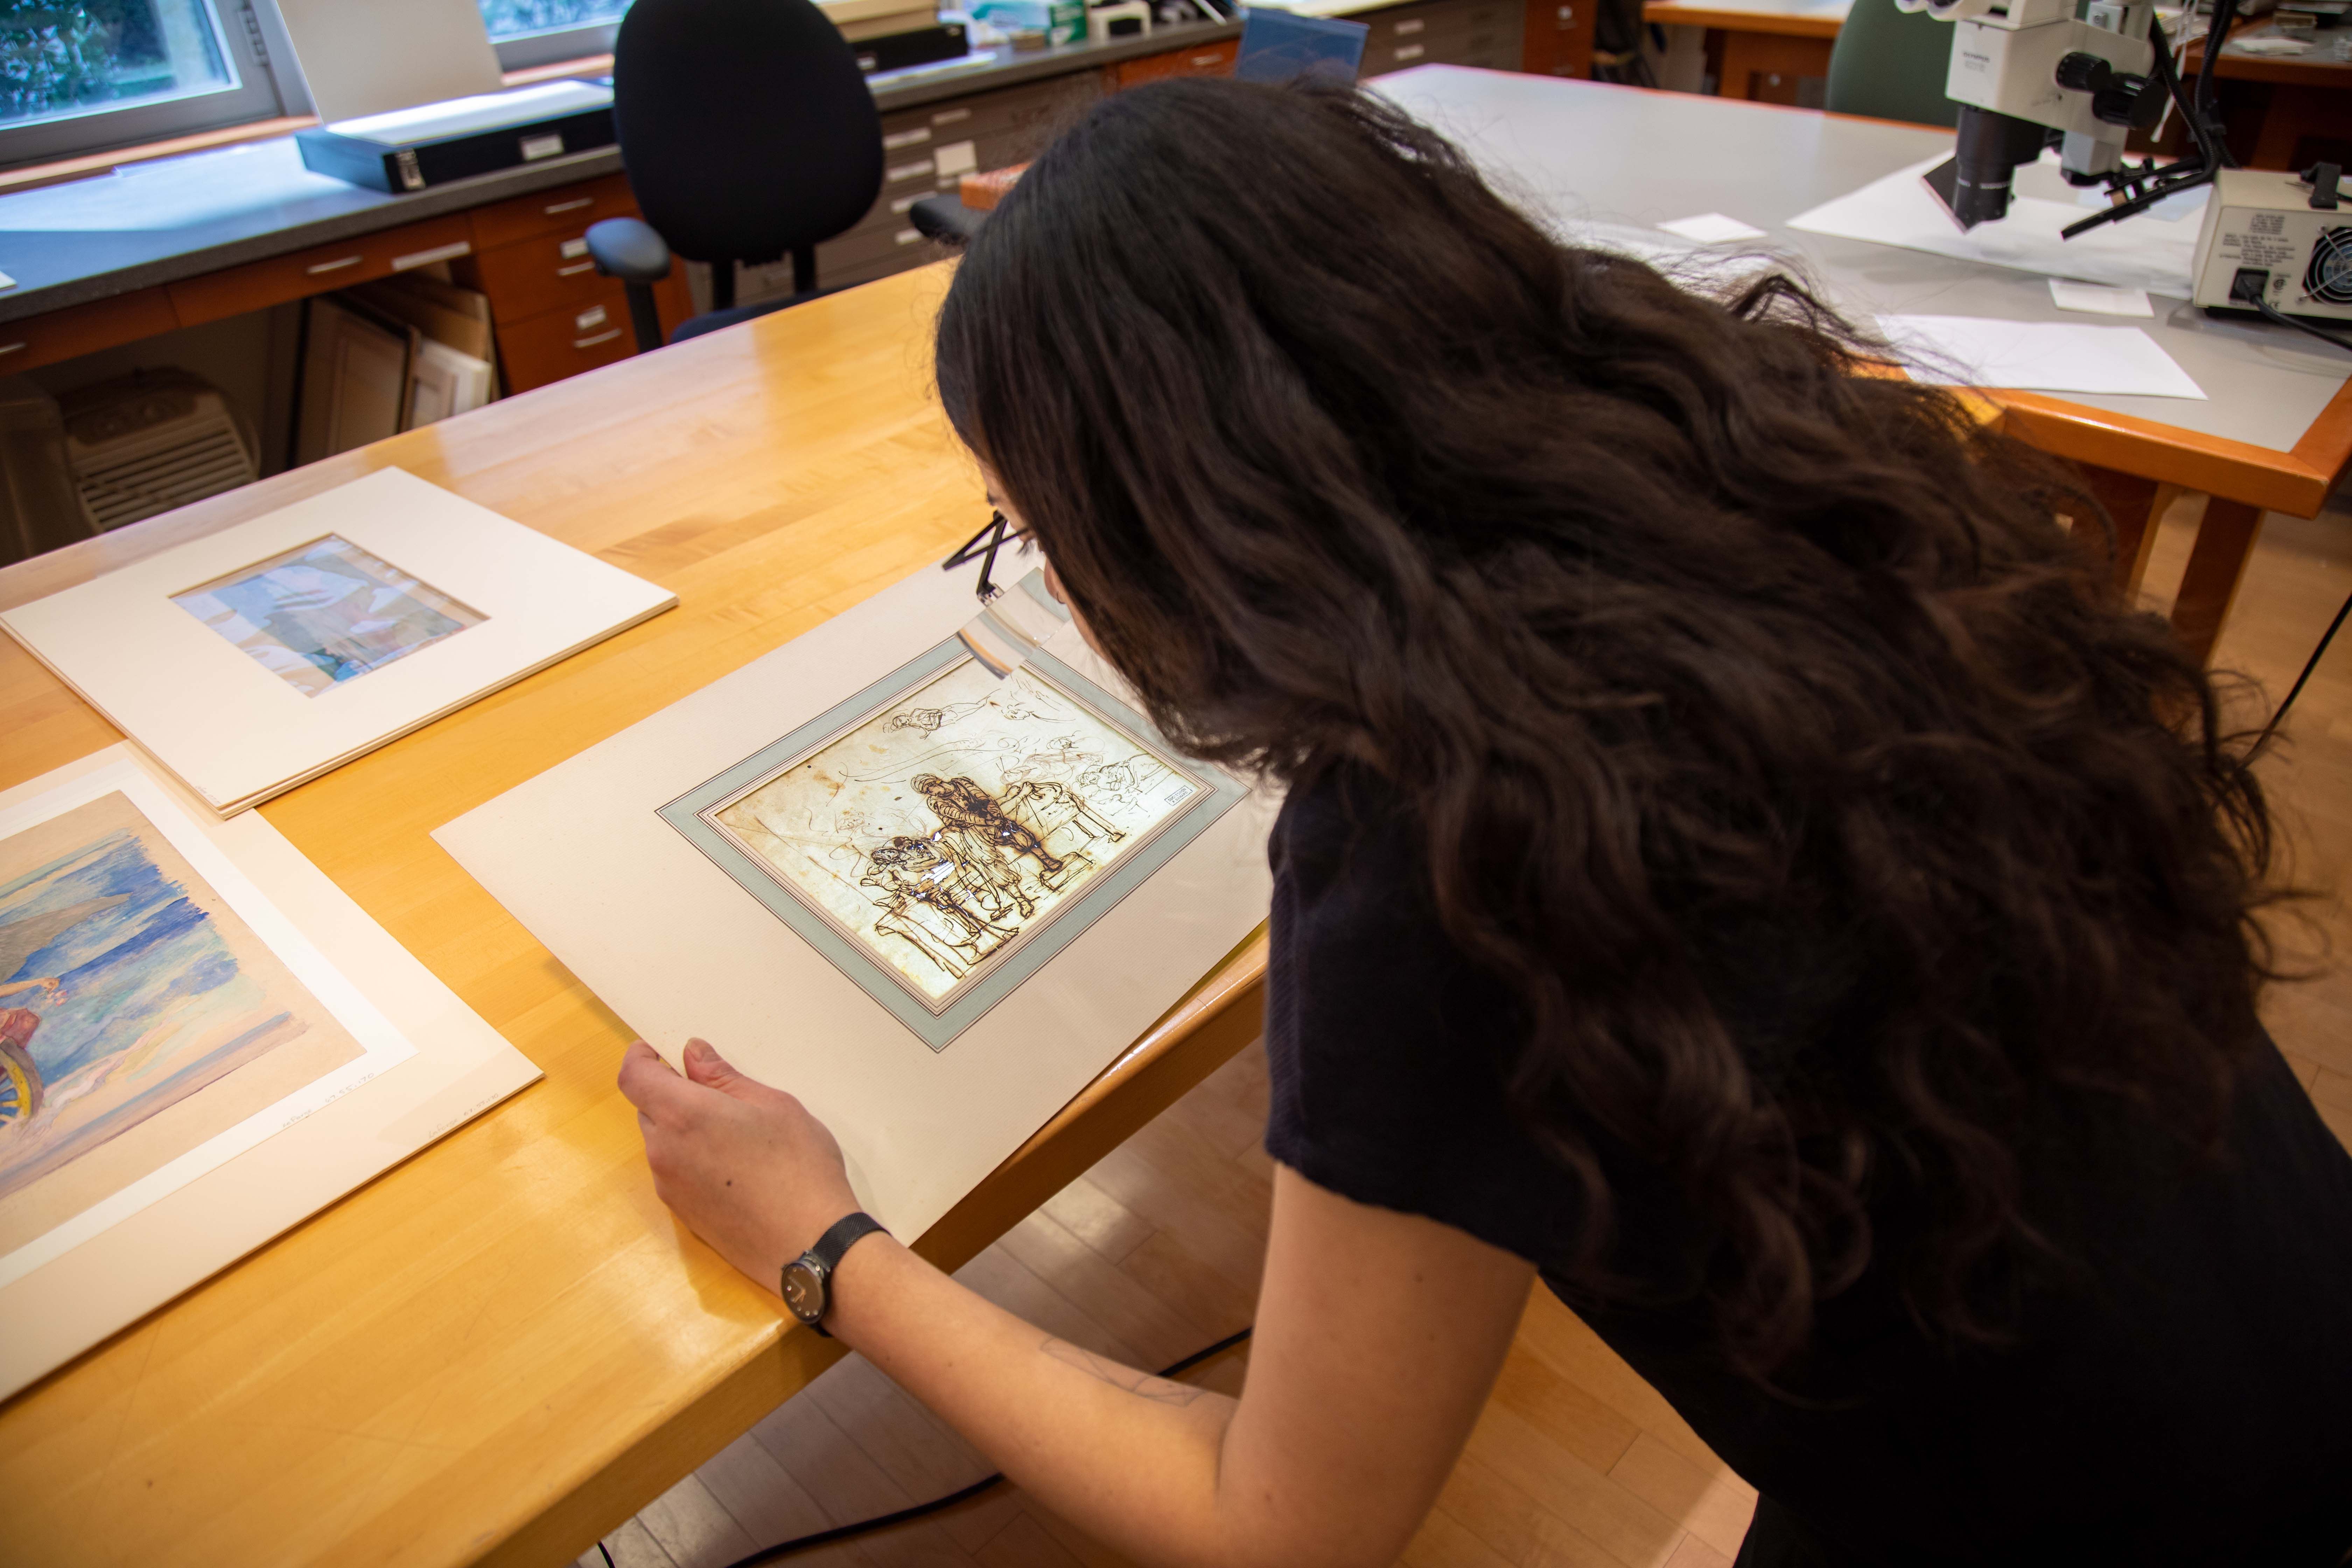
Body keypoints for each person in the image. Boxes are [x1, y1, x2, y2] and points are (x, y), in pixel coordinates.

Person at [615, 78, 2352, 1566]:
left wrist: (824, 1246)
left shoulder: (1443, 847)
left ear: (1175, 524)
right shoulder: (1777, 457)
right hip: (2274, 1337)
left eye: (1034, 535)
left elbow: (1281, 1526)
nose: (1059, 589)